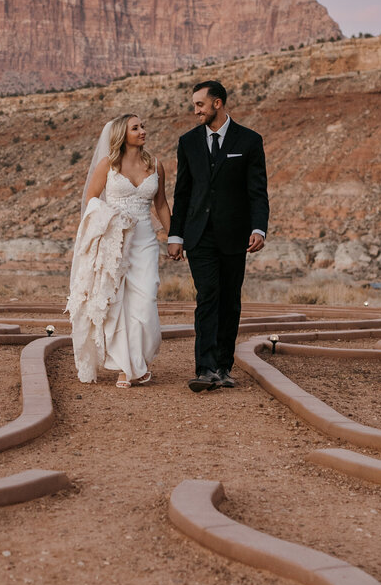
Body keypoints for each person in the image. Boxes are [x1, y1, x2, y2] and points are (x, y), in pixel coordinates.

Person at [167, 80, 268, 391]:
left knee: (230, 302)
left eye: (200, 104)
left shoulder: (250, 141)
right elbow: (182, 193)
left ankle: (224, 366)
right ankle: (206, 368)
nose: (195, 110)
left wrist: (258, 227)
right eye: (195, 104)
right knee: (208, 296)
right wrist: (176, 235)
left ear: (218, 104)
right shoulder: (188, 142)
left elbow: (257, 191)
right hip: (199, 237)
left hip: (235, 236)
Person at [67, 112, 171, 386]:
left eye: (142, 126)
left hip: (145, 241)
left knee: (146, 299)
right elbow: (91, 199)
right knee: (119, 303)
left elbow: (160, 205)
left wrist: (173, 238)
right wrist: (110, 222)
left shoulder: (156, 165)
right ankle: (127, 366)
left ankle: (141, 359)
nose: (142, 131)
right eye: (135, 128)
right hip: (116, 242)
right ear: (122, 135)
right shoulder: (108, 165)